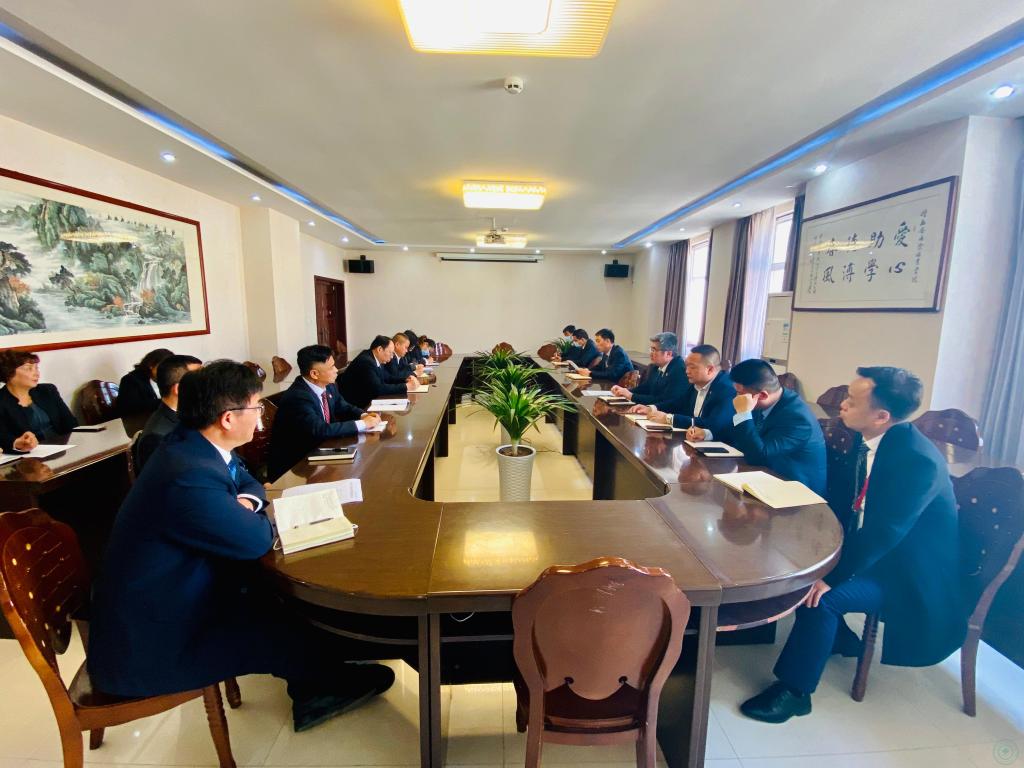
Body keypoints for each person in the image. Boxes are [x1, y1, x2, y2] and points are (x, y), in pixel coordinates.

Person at [88, 361, 394, 731]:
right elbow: (254, 540)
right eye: (256, 407)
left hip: (181, 591)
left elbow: (250, 483)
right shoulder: (187, 473)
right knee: (277, 619)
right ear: (229, 418)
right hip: (157, 637)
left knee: (280, 603)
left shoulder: (197, 444)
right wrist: (251, 513)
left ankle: (316, 675)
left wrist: (246, 502)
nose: (261, 417)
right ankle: (319, 690)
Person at [740, 367, 966, 723]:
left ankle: (795, 692)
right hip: (879, 552)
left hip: (907, 573)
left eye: (852, 400)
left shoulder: (916, 460)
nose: (841, 405)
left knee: (819, 596)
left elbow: (884, 534)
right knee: (799, 563)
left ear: (881, 416)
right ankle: (840, 639)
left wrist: (830, 576)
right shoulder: (877, 439)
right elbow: (854, 505)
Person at [268, 345, 381, 480]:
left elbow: (342, 406)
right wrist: (363, 424)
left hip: (321, 450)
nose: (336, 370)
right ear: (314, 374)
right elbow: (320, 429)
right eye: (331, 367)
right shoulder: (298, 397)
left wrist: (363, 415)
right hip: (296, 465)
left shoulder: (328, 385)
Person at [724, 358, 826, 495]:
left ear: (762, 395)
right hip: (766, 477)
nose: (736, 398)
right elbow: (738, 437)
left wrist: (743, 413)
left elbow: (759, 457)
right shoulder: (766, 402)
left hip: (795, 491)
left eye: (740, 393)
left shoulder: (797, 418)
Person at [633, 344, 735, 438]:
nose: (687, 371)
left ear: (710, 369)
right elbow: (678, 403)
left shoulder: (726, 389)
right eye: (687, 366)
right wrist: (652, 408)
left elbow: (711, 424)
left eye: (692, 367)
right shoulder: (697, 383)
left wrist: (669, 419)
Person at [134, 354, 202, 471]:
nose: (207, 385)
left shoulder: (194, 413)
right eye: (200, 381)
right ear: (179, 389)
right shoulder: (157, 437)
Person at [0, 350, 78, 452]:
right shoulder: (2, 401)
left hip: (64, 449)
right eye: (29, 369)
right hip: (30, 455)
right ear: (9, 373)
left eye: (36, 368)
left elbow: (70, 423)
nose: (36, 373)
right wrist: (17, 443)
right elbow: (2, 437)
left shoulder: (47, 390)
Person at [339, 335, 419, 408]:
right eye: (390, 353)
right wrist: (406, 386)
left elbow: (387, 378)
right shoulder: (366, 362)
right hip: (358, 406)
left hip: (370, 400)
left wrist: (405, 380)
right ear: (380, 349)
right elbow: (378, 389)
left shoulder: (375, 359)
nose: (392, 357)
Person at [610, 332, 687, 408]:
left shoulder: (679, 371)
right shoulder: (655, 366)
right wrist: (624, 391)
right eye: (651, 349)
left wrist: (631, 396)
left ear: (668, 354)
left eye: (654, 350)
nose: (650, 353)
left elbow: (664, 401)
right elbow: (645, 388)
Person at [117, 348, 174, 419]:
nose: (167, 371)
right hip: (142, 421)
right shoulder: (130, 380)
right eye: (163, 368)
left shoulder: (171, 378)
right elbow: (130, 407)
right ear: (151, 365)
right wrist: (166, 401)